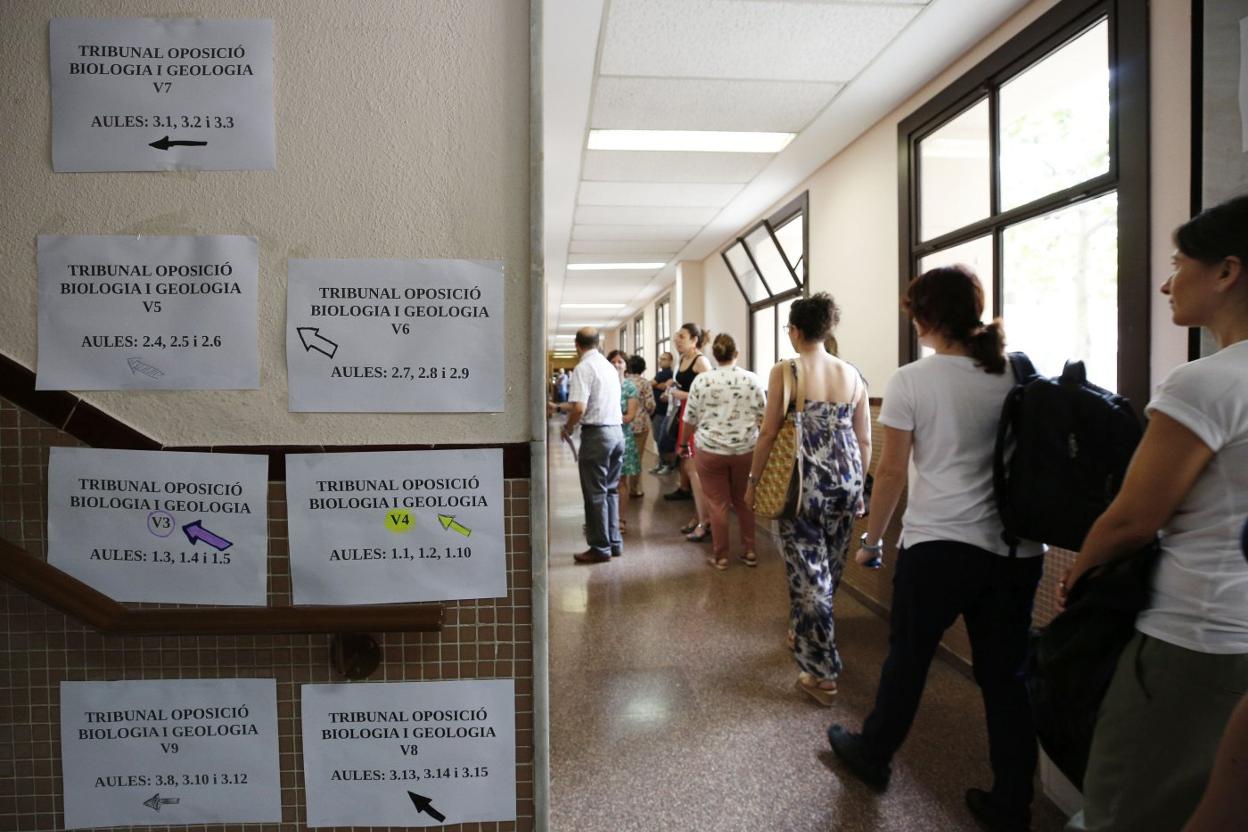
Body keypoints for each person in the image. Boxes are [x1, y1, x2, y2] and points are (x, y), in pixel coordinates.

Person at [825, 265, 1042, 832]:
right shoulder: (1017, 369)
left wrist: (872, 538)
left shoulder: (912, 380)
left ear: (925, 317)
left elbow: (892, 470)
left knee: (910, 658)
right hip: (1016, 552)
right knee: (1006, 678)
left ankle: (873, 755)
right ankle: (1012, 800)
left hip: (939, 546)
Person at [1060, 196, 1248, 832]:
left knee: (1126, 805)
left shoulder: (1208, 383)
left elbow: (1131, 521)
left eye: (1178, 263)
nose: (1168, 282)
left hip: (1196, 637)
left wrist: (1077, 578)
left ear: (1227, 271)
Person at [746, 293, 869, 705]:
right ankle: (801, 632)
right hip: (847, 481)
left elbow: (767, 433)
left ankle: (822, 672)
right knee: (827, 571)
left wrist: (754, 479)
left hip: (805, 485)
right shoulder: (852, 374)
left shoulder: (788, 370)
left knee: (809, 575)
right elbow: (864, 438)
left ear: (795, 331)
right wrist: (859, 489)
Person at [684, 333, 766, 570]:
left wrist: (682, 443)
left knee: (717, 503)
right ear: (736, 354)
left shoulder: (702, 381)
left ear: (715, 355)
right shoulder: (752, 380)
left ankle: (720, 557)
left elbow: (689, 418)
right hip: (746, 451)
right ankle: (750, 551)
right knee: (745, 501)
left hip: (710, 450)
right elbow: (764, 416)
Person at [548, 327, 624, 563]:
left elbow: (580, 408)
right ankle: (613, 542)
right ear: (598, 342)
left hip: (597, 436)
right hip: (616, 433)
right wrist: (560, 408)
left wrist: (568, 427)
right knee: (610, 490)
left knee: (594, 494)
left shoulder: (583, 367)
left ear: (577, 344)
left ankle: (599, 547)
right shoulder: (608, 367)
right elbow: (591, 403)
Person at [665, 324, 713, 542]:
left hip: (698, 417)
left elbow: (711, 391)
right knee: (688, 468)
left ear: (695, 339)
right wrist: (673, 386)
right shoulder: (684, 359)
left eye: (682, 337)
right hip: (685, 414)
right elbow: (690, 385)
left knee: (694, 470)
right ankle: (700, 515)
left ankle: (705, 521)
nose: (678, 340)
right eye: (676, 337)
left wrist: (682, 394)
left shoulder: (701, 361)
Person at [607, 350, 641, 531]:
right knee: (604, 481)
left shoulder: (630, 387)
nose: (617, 364)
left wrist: (607, 416)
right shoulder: (603, 384)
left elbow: (630, 416)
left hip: (623, 438)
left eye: (620, 361)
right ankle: (605, 517)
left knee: (621, 481)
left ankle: (621, 519)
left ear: (625, 365)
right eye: (613, 361)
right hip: (605, 437)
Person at [625, 355, 655, 498]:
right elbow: (650, 405)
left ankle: (621, 486)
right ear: (643, 368)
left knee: (624, 456)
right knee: (637, 457)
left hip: (624, 423)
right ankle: (634, 488)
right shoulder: (645, 384)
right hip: (640, 424)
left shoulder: (623, 382)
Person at [650, 352, 678, 475]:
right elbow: (654, 384)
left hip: (664, 412)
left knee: (662, 440)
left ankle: (668, 464)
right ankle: (662, 463)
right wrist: (660, 385)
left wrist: (657, 385)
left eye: (664, 359)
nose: (661, 361)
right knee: (658, 439)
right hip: (658, 412)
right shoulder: (661, 374)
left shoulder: (667, 373)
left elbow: (651, 383)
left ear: (671, 361)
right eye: (660, 359)